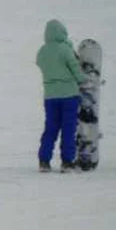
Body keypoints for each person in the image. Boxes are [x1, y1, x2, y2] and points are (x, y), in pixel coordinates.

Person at [36, 20, 86, 173]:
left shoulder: (42, 51)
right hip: (69, 95)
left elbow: (40, 64)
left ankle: (44, 161)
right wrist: (83, 80)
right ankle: (67, 162)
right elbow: (75, 68)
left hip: (50, 96)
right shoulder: (65, 49)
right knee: (68, 128)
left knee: (50, 128)